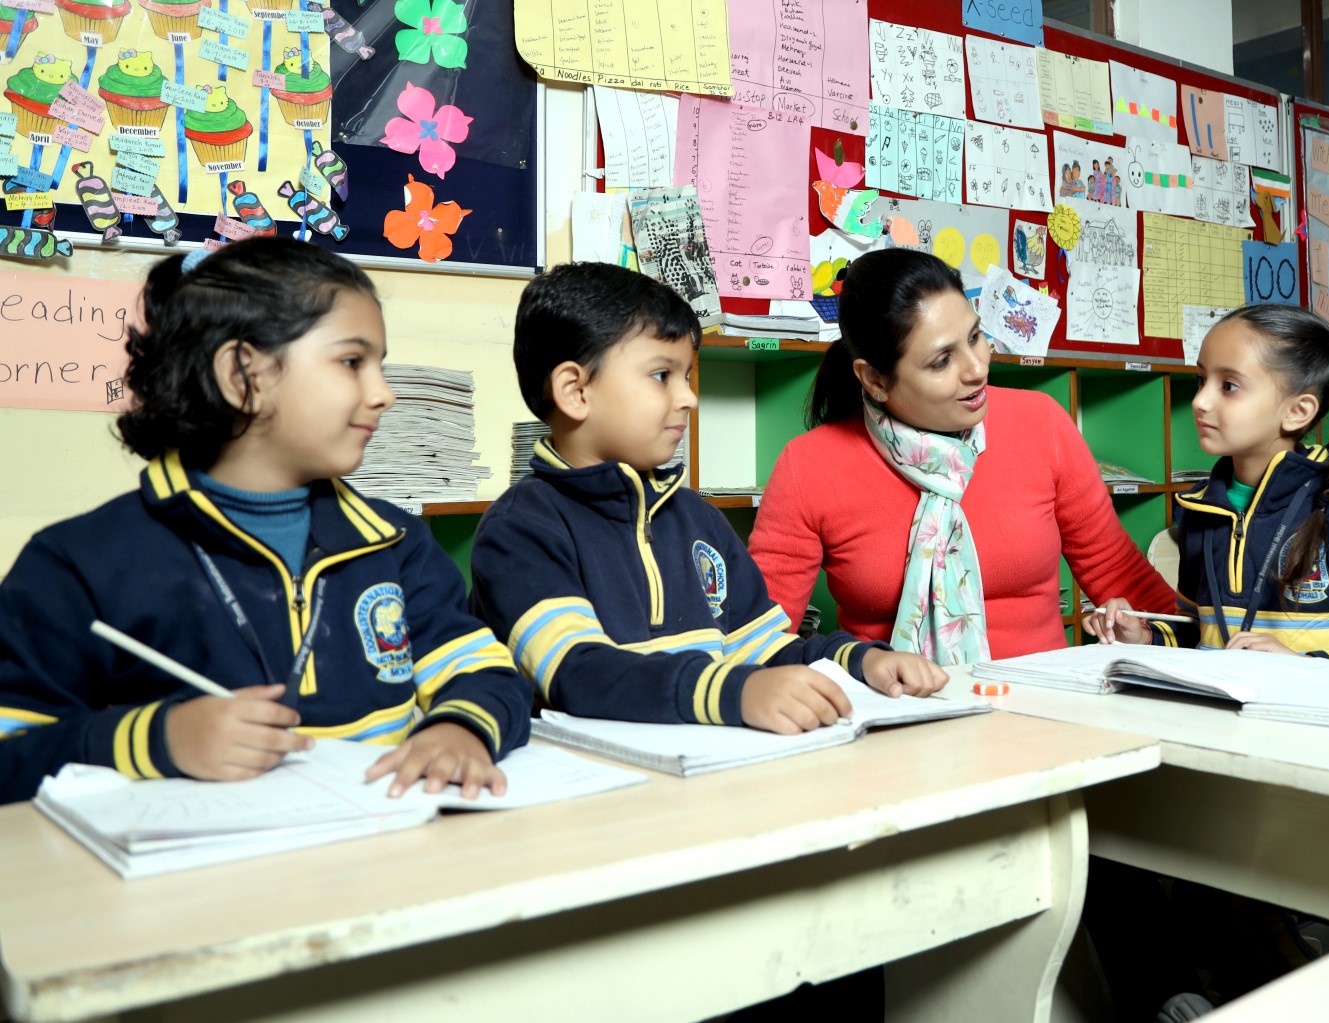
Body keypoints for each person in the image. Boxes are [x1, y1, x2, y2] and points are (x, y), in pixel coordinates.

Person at [0, 238, 532, 804]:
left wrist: (459, 728)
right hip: (199, 876)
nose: (384, 394)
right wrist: (157, 739)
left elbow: (486, 673)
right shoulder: (79, 563)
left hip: (385, 854)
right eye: (352, 362)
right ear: (240, 373)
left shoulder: (396, 544)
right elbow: (13, 752)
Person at [468, 263, 945, 734]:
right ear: (575, 391)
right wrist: (735, 692)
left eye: (688, 376)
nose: (689, 398)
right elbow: (578, 673)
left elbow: (760, 650)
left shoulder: (699, 521)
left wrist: (858, 660)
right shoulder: (521, 528)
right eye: (662, 376)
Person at [751, 248, 1179, 664]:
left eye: (975, 337)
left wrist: (1155, 634)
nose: (976, 369)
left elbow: (1122, 575)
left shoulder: (1041, 424)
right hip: (896, 714)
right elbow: (756, 637)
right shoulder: (809, 466)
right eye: (941, 361)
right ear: (875, 378)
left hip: (1041, 710)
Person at [1085, 306, 1329, 670]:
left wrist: (1306, 664)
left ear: (1298, 411)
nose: (1200, 401)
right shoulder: (1199, 510)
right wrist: (1144, 636)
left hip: (1308, 719)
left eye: (1229, 386)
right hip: (1219, 715)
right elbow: (1199, 634)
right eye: (1201, 380)